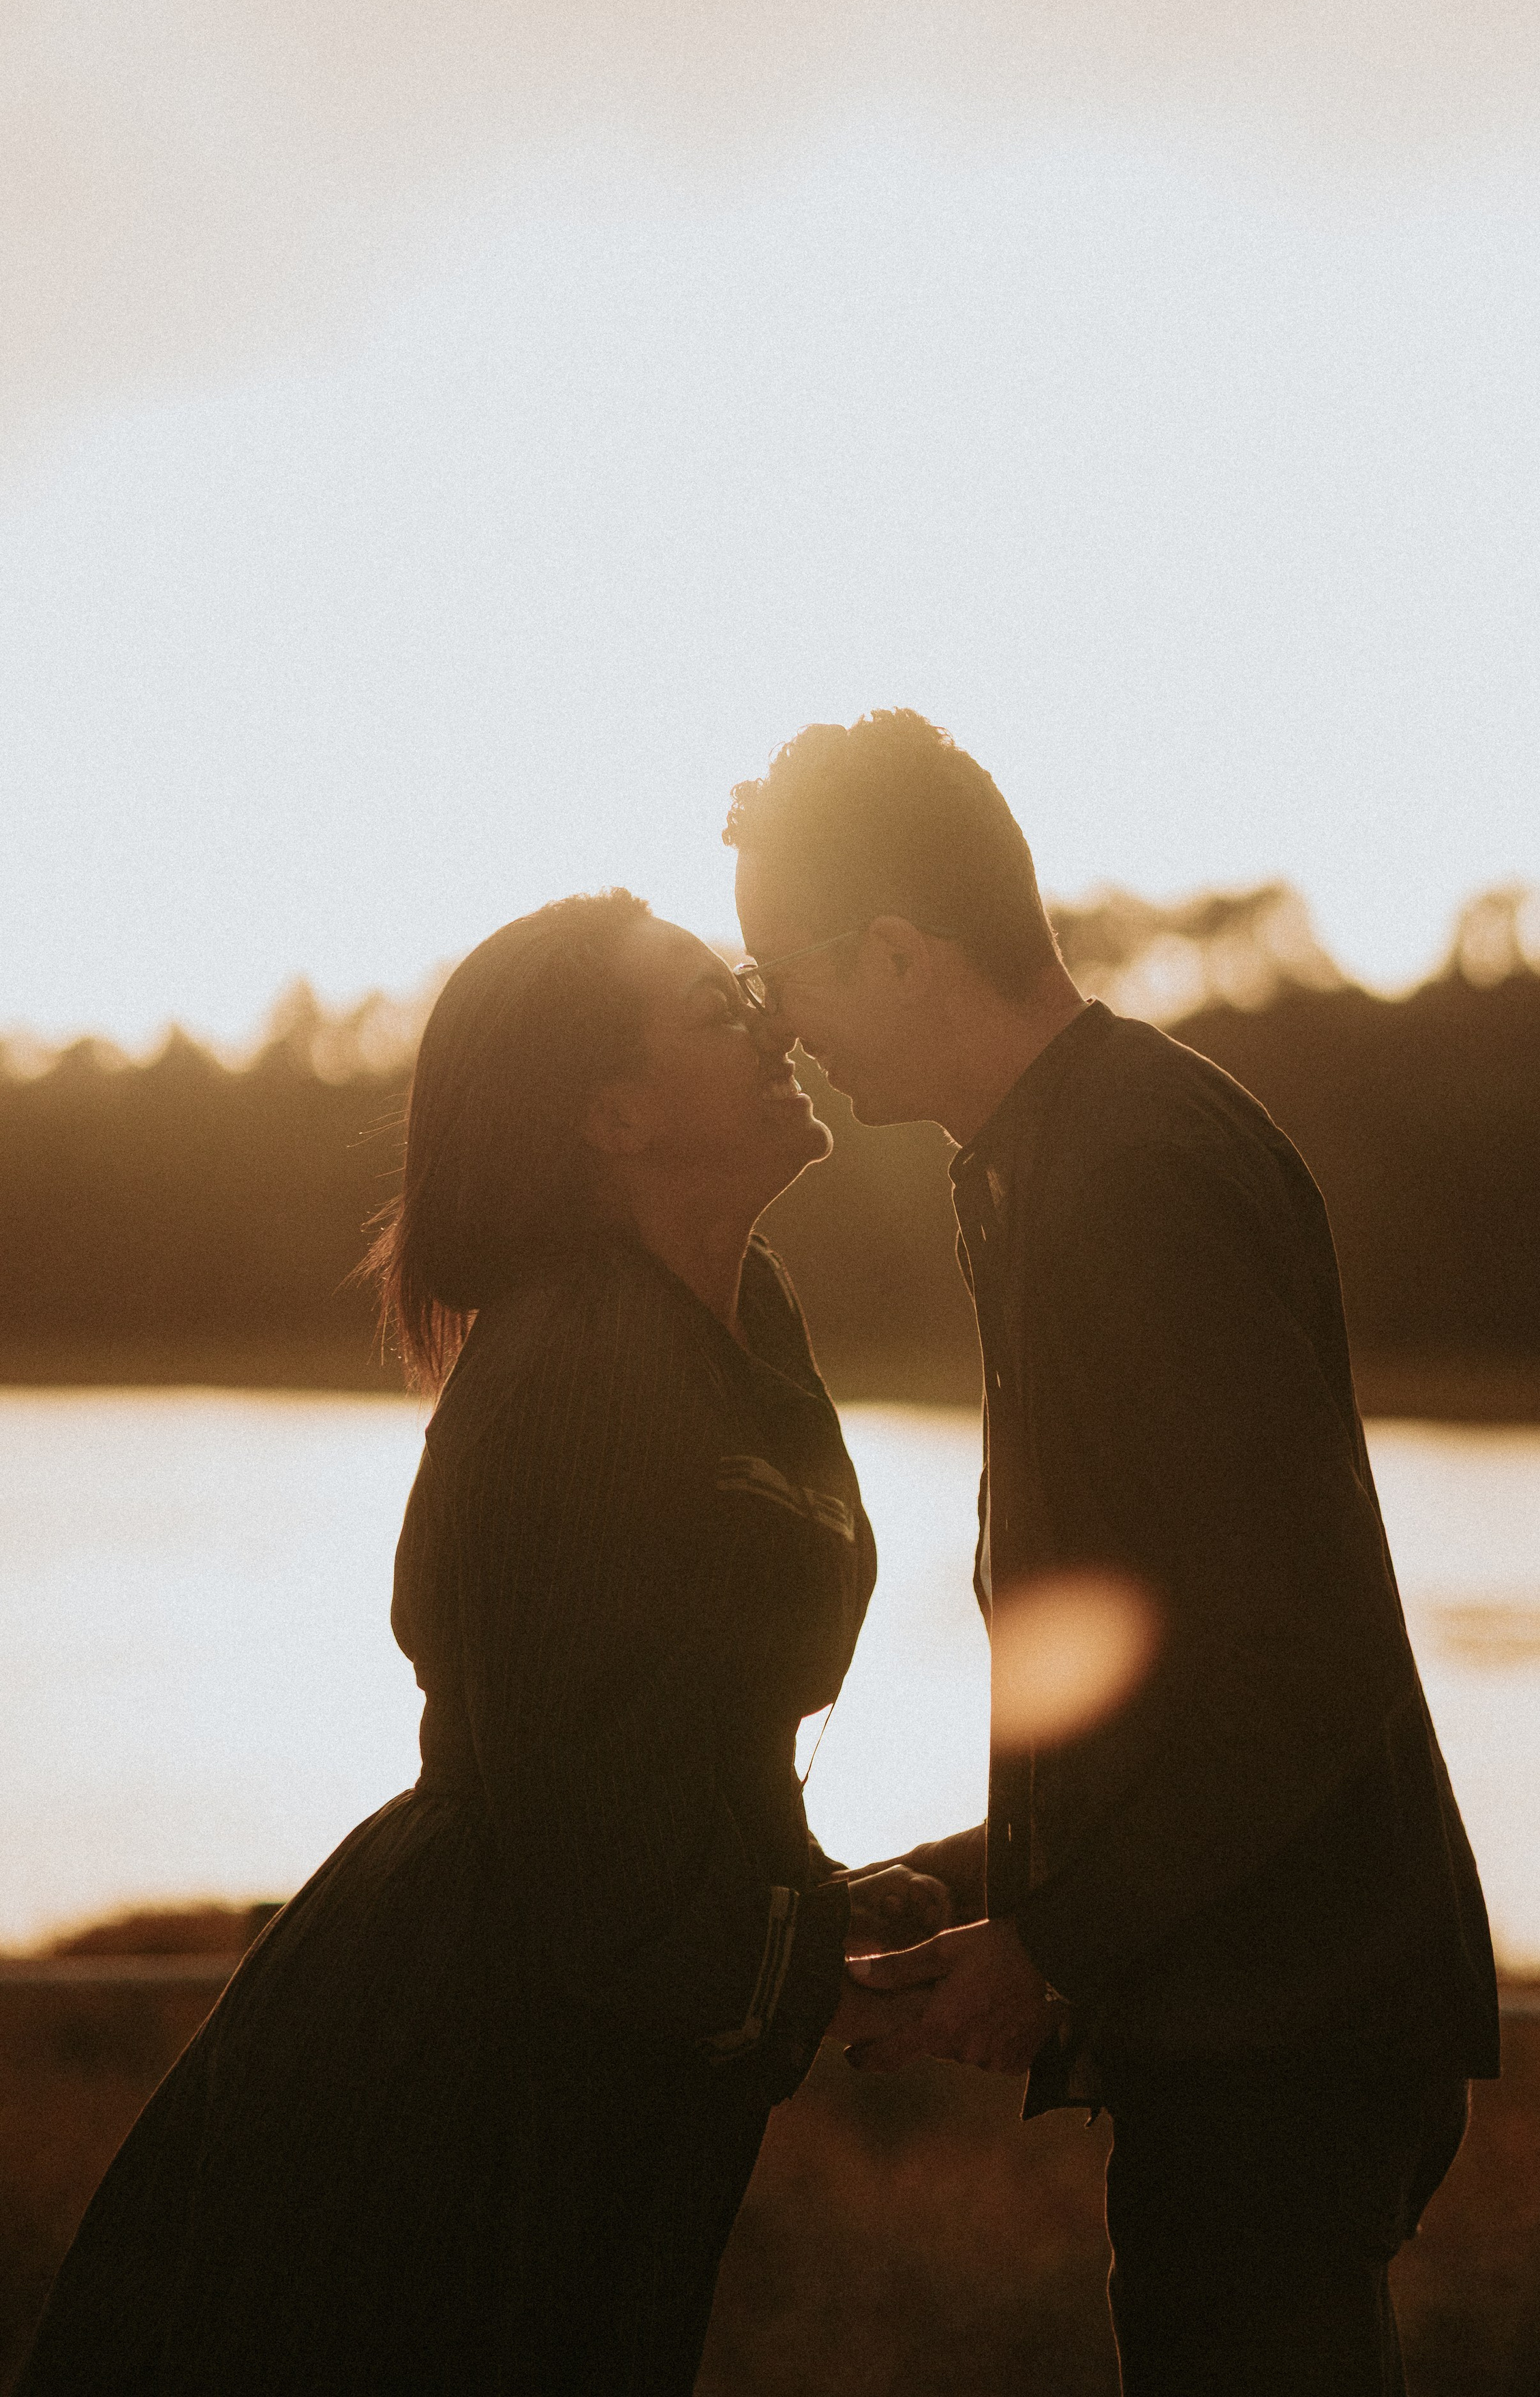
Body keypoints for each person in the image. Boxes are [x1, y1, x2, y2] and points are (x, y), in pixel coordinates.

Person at [20, 889, 936, 2397]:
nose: (776, 1028)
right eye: (722, 1012)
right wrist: (799, 1964)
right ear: (612, 1115)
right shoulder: (578, 1359)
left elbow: (679, 1719)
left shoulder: (738, 1319)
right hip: (476, 2049)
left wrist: (824, 1902)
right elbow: (583, 1809)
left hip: (594, 2034)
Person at [726, 713, 1500, 2396]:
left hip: (1282, 2026)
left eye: (783, 974)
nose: (776, 1027)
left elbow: (1295, 1653)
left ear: (896, 948)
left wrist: (1058, 1948)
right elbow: (1167, 1649)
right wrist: (982, 1878)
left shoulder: (1128, 1176)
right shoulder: (1050, 1163)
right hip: (1251, 2007)